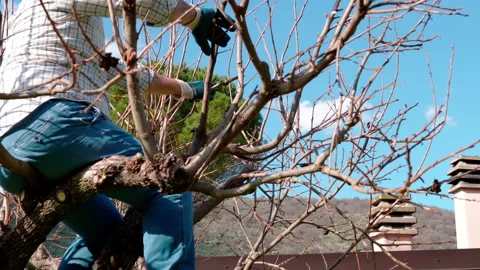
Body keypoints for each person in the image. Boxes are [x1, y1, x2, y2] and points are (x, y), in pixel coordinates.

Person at [0, 0, 234, 269]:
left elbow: (116, 72)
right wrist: (193, 16)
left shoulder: (28, 21)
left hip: (10, 155)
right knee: (168, 185)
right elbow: (131, 2)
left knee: (106, 234)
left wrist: (183, 89)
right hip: (58, 123)